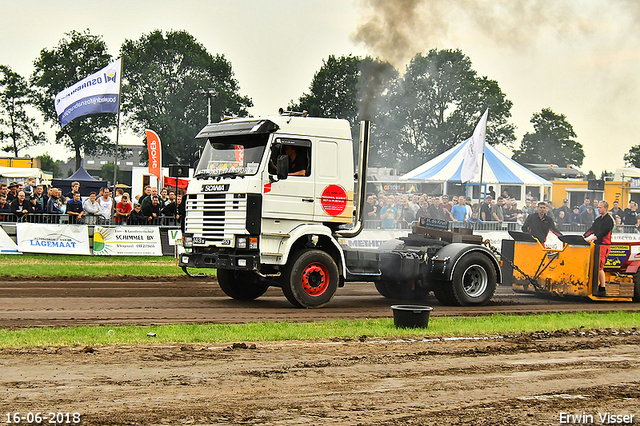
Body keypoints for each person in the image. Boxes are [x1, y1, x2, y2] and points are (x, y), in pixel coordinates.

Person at [583, 201, 615, 294]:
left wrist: (594, 237)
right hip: (597, 245)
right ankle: (595, 285)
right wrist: (584, 236)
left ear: (605, 208)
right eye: (598, 207)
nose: (598, 209)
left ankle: (602, 287)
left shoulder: (609, 220)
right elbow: (592, 229)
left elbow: (605, 231)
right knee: (595, 265)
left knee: (600, 266)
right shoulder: (598, 220)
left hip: (604, 245)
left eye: (600, 207)